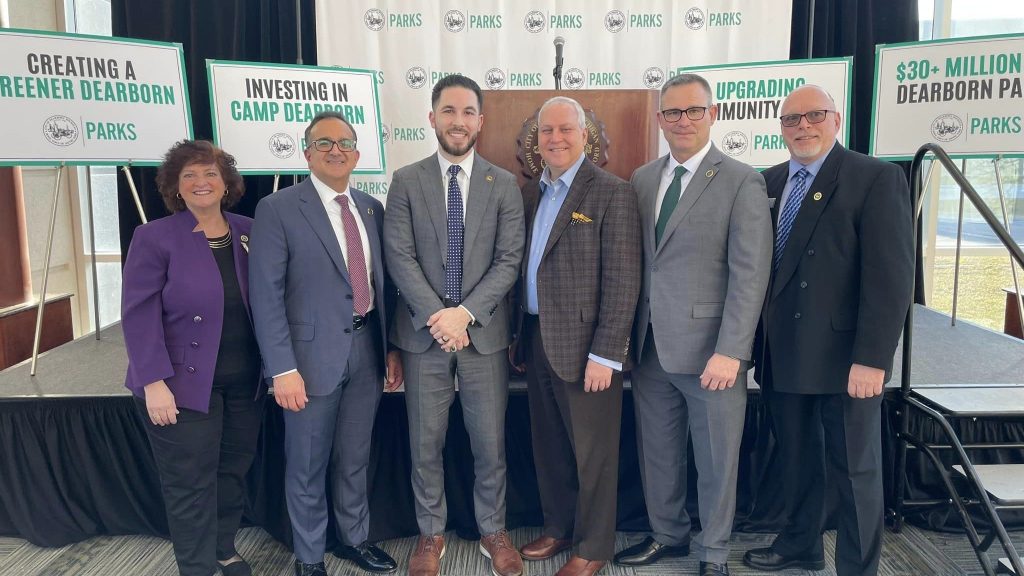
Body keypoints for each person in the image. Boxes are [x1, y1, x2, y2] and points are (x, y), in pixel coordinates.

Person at [742, 85, 913, 576]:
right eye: (792, 119)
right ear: (781, 128)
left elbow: (891, 278)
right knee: (796, 461)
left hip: (846, 359)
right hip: (783, 353)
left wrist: (874, 359)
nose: (803, 127)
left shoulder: (874, 177)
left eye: (814, 116)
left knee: (855, 472)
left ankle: (858, 569)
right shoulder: (768, 181)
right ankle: (801, 545)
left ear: (835, 120)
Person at [614, 74, 772, 576]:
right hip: (650, 346)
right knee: (658, 454)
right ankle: (667, 535)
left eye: (692, 111)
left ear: (713, 114)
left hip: (712, 353)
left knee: (716, 460)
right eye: (672, 113)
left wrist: (732, 350)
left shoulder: (742, 180)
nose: (682, 121)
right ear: (660, 119)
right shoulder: (641, 178)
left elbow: (751, 274)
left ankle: (714, 553)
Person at [383, 75, 525, 576]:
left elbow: (509, 261)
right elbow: (398, 256)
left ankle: (493, 531)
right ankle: (430, 534)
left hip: (482, 336)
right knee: (426, 444)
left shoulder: (503, 183)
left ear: (480, 121)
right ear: (432, 118)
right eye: (449, 111)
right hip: (424, 339)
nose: (458, 121)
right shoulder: (405, 180)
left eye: (468, 112)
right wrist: (438, 318)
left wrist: (463, 314)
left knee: (490, 443)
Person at [249, 111, 402, 576]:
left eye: (345, 142)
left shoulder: (372, 207)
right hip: (307, 362)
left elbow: (384, 286)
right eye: (324, 142)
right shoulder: (277, 208)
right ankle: (310, 556)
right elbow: (265, 294)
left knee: (355, 457)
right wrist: (281, 368)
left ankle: (354, 539)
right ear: (307, 152)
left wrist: (391, 348)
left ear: (357, 153)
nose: (336, 150)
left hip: (367, 351)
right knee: (307, 464)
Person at [122, 140, 264, 576]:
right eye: (190, 176)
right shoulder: (154, 237)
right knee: (190, 485)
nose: (201, 183)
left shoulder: (249, 231)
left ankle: (223, 548)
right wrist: (153, 382)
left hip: (246, 382)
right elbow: (137, 313)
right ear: (176, 188)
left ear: (226, 185)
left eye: (210, 174)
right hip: (179, 384)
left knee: (231, 473)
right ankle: (198, 567)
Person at [514, 96, 642, 576]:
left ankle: (593, 547)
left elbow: (624, 280)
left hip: (588, 349)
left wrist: (606, 354)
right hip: (534, 337)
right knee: (549, 447)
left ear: (584, 135)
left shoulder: (612, 191)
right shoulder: (529, 194)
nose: (556, 139)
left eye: (566, 130)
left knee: (594, 455)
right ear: (537, 139)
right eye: (547, 131)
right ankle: (559, 526)